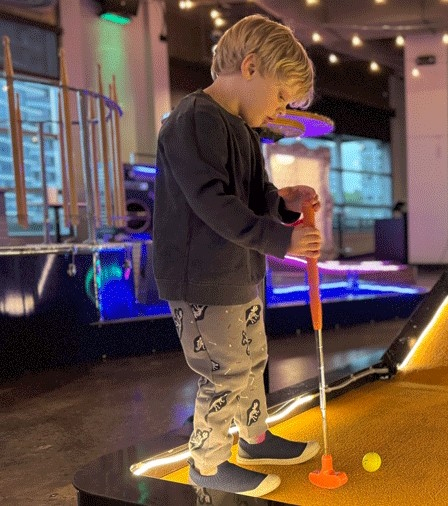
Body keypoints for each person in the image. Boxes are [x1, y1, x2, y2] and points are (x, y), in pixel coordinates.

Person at [152, 15, 322, 496]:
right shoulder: (192, 120)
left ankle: (254, 438)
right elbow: (214, 203)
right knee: (225, 373)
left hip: (238, 271)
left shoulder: (245, 129)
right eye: (280, 97)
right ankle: (206, 465)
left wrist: (283, 203)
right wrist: (282, 242)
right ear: (250, 68)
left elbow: (253, 195)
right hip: (202, 279)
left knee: (252, 361)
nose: (279, 110)